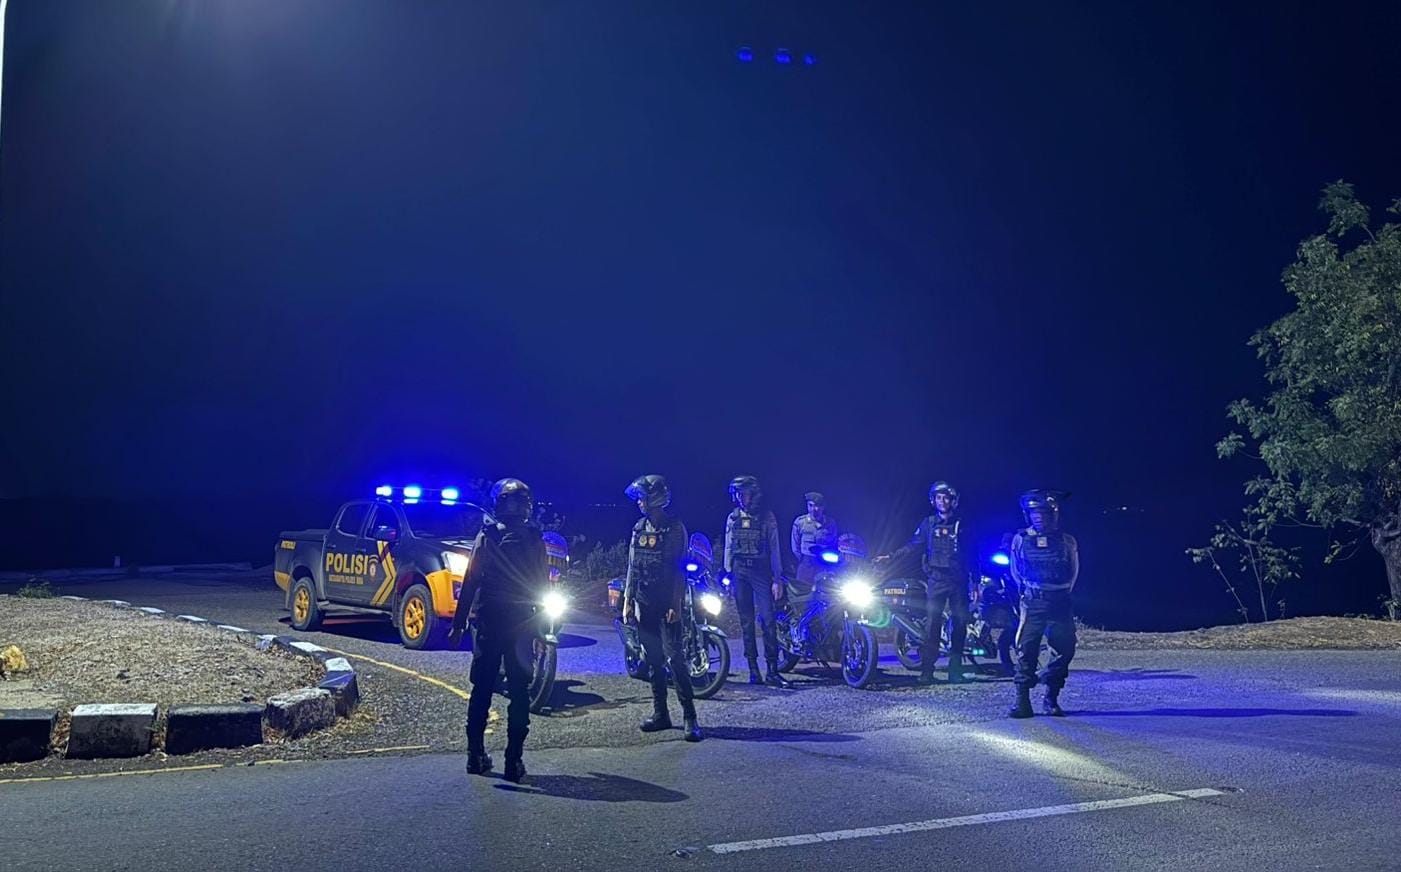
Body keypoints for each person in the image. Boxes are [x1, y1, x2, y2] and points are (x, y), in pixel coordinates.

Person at [448, 478, 546, 783]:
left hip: (489, 620)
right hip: (522, 622)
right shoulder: (534, 537)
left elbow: (471, 581)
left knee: (482, 687)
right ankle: (513, 761)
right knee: (519, 691)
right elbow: (542, 585)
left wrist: (458, 623)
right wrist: (543, 629)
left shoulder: (487, 535)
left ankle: (475, 756)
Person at [619, 474, 702, 741]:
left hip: (668, 603)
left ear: (655, 498)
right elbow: (632, 566)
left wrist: (675, 602)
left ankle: (690, 718)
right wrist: (628, 600)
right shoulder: (638, 528)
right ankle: (661, 714)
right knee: (653, 660)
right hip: (645, 601)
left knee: (675, 659)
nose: (639, 502)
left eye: (643, 497)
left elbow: (680, 570)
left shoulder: (674, 529)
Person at [877, 482, 973, 684]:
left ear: (953, 500)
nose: (942, 501)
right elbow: (913, 546)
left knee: (959, 625)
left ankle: (955, 670)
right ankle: (927, 670)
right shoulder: (928, 524)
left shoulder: (963, 524)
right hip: (936, 580)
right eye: (938, 498)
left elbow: (974, 553)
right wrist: (891, 557)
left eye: (945, 497)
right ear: (933, 501)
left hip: (959, 581)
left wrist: (977, 582)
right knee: (932, 626)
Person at [1007, 489, 1080, 718]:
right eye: (1035, 513)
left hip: (1060, 602)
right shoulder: (1021, 539)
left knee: (1064, 650)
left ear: (1054, 514)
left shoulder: (1067, 541)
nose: (1039, 518)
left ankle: (1051, 698)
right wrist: (1030, 592)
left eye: (1044, 513)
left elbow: (1073, 571)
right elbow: (1015, 570)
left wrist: (1059, 591)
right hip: (1033, 602)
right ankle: (1022, 702)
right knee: (1026, 650)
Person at [724, 475, 789, 687]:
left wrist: (777, 579)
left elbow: (774, 548)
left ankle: (772, 670)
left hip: (761, 572)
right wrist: (728, 574)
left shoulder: (766, 517)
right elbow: (728, 547)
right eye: (737, 494)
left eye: (743, 494)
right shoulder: (733, 517)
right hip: (740, 571)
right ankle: (753, 670)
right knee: (746, 623)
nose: (740, 498)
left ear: (753, 494)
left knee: (768, 620)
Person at [788, 492, 840, 649]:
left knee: (828, 601)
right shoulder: (800, 522)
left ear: (823, 507)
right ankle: (801, 636)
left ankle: (826, 639)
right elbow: (795, 546)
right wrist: (804, 560)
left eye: (817, 506)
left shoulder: (830, 524)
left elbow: (834, 544)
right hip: (806, 565)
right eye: (811, 506)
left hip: (825, 566)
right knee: (804, 601)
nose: (814, 509)